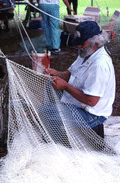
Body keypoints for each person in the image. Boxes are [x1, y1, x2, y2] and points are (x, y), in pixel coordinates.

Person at [45, 21, 116, 139]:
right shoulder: (85, 53)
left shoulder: (99, 65)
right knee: (50, 84)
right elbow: (70, 74)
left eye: (82, 43)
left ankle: (58, 145)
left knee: (46, 112)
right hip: (82, 105)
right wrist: (57, 73)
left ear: (95, 42)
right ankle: (58, 121)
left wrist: (66, 87)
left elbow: (91, 101)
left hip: (93, 115)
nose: (78, 46)